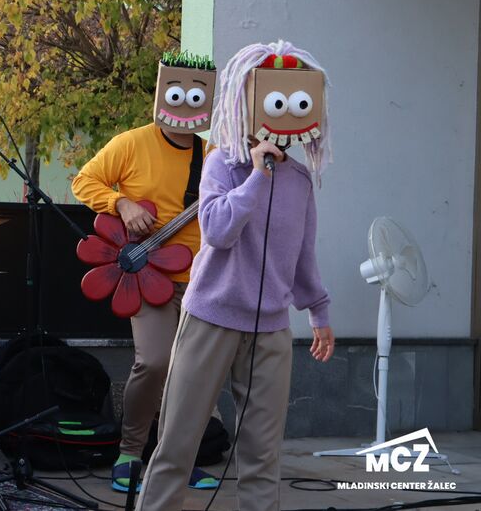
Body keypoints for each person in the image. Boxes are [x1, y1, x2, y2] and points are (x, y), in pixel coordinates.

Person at [137, 40, 335, 511]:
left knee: (263, 457)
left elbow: (302, 254)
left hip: (271, 331)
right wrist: (257, 176)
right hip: (211, 318)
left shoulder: (300, 181)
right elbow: (218, 230)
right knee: (177, 445)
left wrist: (319, 310)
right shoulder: (222, 164)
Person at [72, 52, 220, 493]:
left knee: (190, 374)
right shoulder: (132, 143)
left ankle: (177, 459)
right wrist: (121, 203)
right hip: (146, 276)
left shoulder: (211, 154)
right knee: (153, 362)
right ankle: (130, 453)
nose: (186, 101)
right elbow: (84, 182)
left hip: (200, 281)